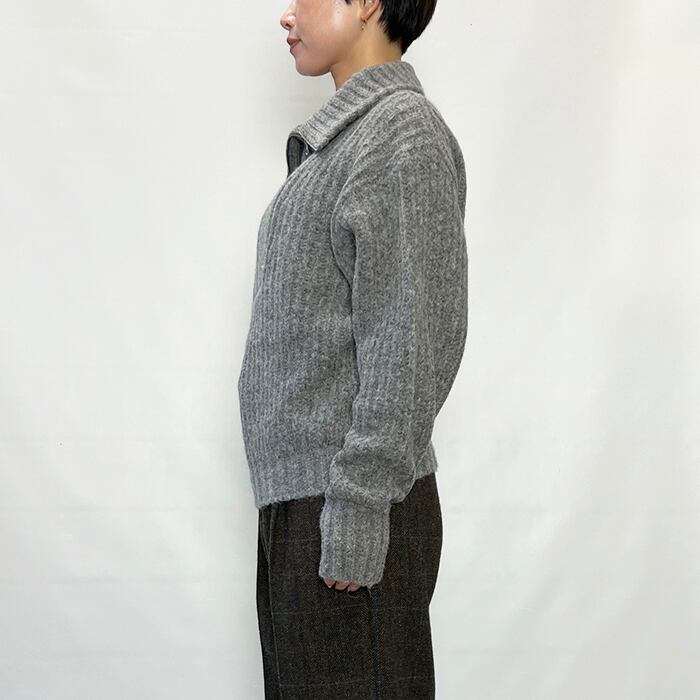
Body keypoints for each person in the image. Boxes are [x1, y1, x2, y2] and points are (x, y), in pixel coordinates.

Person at [238, 0, 468, 696]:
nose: (287, 16)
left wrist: (360, 506)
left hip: (350, 507)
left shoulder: (401, 134)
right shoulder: (347, 145)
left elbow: (412, 336)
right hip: (306, 506)